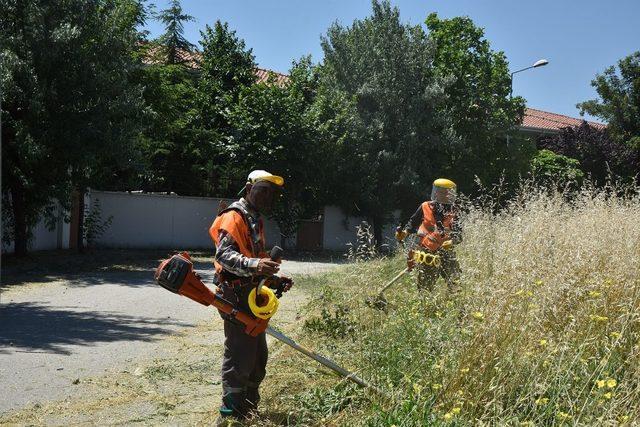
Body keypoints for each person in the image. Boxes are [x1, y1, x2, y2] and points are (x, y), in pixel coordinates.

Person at [209, 170, 293, 424]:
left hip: (249, 293)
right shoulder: (234, 216)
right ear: (248, 189)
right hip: (234, 295)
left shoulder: (254, 218)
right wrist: (256, 265)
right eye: (263, 190)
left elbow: (253, 256)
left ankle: (248, 409)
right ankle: (231, 416)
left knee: (257, 357)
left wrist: (273, 278)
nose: (268, 196)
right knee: (240, 355)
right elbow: (224, 256)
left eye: (272, 193)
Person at [395, 178, 462, 292]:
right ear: (435, 193)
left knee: (455, 282)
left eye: (447, 193)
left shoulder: (455, 211)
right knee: (425, 286)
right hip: (426, 251)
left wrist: (452, 242)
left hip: (446, 252)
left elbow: (459, 235)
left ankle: (458, 305)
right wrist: (404, 233)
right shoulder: (425, 206)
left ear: (451, 195)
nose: (444, 196)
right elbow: (412, 223)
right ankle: (425, 306)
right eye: (441, 192)